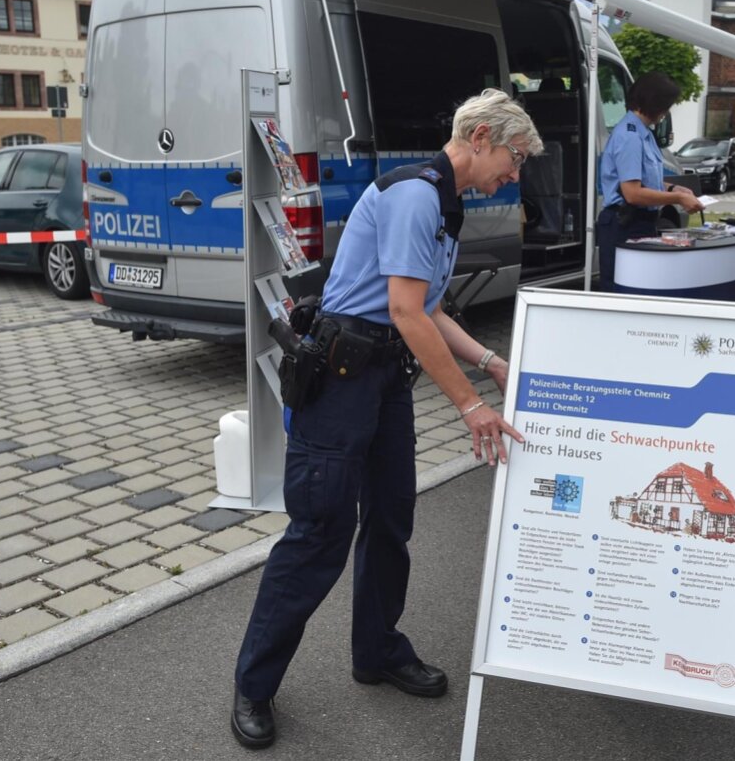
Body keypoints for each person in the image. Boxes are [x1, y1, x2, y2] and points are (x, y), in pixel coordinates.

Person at [231, 88, 537, 750]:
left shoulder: (443, 203)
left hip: (383, 380)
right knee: (319, 533)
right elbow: (403, 311)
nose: (515, 174)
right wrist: (470, 404)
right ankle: (254, 685)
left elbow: (428, 308)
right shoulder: (416, 196)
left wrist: (490, 362)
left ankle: (376, 651)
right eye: (514, 157)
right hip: (341, 382)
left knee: (391, 520)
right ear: (480, 136)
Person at [596, 71, 703, 292]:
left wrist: (673, 187)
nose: (667, 112)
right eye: (667, 105)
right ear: (657, 104)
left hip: (638, 221)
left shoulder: (643, 133)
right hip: (624, 222)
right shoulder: (630, 136)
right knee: (624, 292)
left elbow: (645, 181)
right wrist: (678, 198)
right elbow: (633, 193)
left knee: (641, 289)